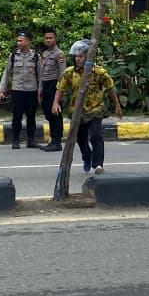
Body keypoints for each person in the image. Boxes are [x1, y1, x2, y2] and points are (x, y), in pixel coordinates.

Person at [53, 39, 123, 186]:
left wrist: (117, 105)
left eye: (81, 56)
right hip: (77, 110)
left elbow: (110, 87)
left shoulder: (98, 72)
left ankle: (98, 165)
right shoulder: (69, 72)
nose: (78, 59)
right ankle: (87, 157)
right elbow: (60, 88)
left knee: (95, 135)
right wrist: (56, 103)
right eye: (76, 57)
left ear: (88, 57)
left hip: (95, 108)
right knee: (80, 138)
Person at [0, 31, 42, 149]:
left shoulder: (36, 56)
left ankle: (31, 140)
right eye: (17, 40)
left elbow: (40, 75)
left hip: (31, 91)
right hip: (17, 90)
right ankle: (15, 140)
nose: (18, 42)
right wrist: (1, 90)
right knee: (17, 116)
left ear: (28, 42)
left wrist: (40, 91)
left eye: (21, 40)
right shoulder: (13, 55)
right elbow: (6, 73)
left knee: (31, 116)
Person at [38, 28, 67, 152]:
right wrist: (40, 90)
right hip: (45, 85)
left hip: (55, 85)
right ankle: (52, 139)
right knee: (49, 114)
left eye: (51, 38)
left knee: (56, 113)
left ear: (55, 39)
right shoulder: (45, 54)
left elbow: (62, 74)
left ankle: (57, 141)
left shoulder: (59, 54)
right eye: (46, 38)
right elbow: (42, 74)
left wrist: (61, 91)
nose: (48, 40)